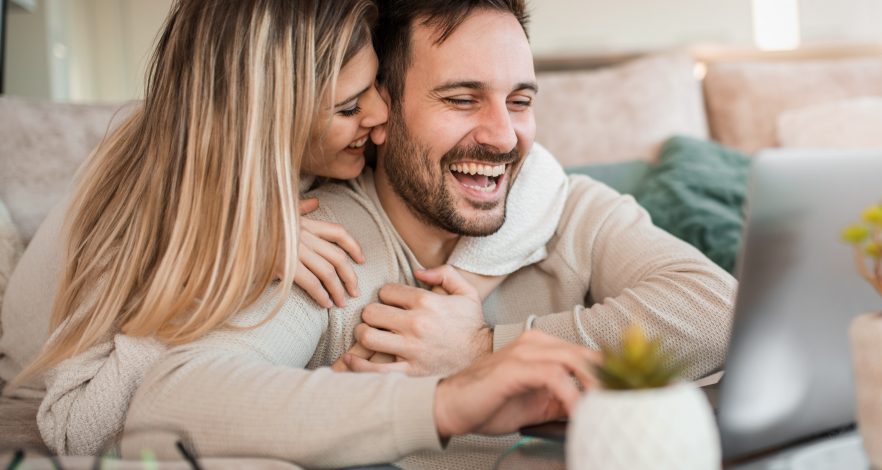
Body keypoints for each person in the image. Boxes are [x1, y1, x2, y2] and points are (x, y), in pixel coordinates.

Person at [120, 0, 735, 467]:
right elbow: (173, 399)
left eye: (518, 101)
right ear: (380, 110)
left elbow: (720, 310)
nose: (502, 136)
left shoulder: (571, 209)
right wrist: (446, 402)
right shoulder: (326, 242)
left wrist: (484, 350)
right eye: (462, 99)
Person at [0, 0, 576, 456]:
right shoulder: (144, 182)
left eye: (375, 88)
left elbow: (540, 174)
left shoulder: (311, 160)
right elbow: (76, 425)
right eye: (350, 107)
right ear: (275, 114)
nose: (379, 120)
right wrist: (230, 253)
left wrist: (453, 302)